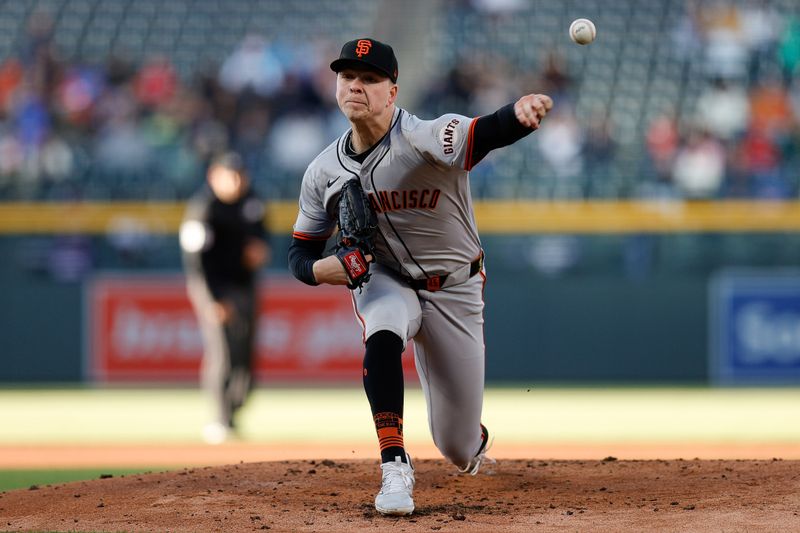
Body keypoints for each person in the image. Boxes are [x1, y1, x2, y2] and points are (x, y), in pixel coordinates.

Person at [288, 38, 551, 515]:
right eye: (348, 77)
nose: (356, 87)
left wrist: (517, 114)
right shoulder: (323, 170)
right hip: (386, 277)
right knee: (383, 332)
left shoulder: (425, 137)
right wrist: (319, 271)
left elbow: (481, 133)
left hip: (455, 286)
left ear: (393, 92)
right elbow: (300, 254)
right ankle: (393, 464)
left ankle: (473, 440)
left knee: (457, 446)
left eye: (370, 79)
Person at [180, 152, 271, 444]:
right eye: (229, 175)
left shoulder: (252, 201)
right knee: (222, 351)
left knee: (245, 350)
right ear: (213, 177)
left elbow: (261, 237)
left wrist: (260, 250)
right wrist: (212, 299)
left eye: (239, 174)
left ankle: (235, 409)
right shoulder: (203, 209)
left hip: (244, 285)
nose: (236, 181)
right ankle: (220, 419)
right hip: (214, 286)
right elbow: (196, 263)